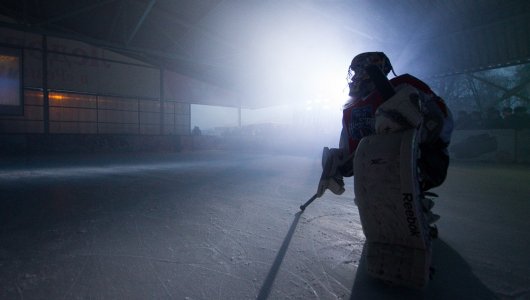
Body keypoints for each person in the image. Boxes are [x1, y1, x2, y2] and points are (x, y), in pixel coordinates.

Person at [317, 52, 453, 196]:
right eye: (355, 71)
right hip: (377, 174)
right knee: (333, 157)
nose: (356, 76)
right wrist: (335, 165)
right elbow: (349, 150)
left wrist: (427, 133)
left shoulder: (403, 84)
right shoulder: (350, 110)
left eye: (361, 69)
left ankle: (416, 174)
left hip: (424, 159)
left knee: (399, 104)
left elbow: (440, 116)